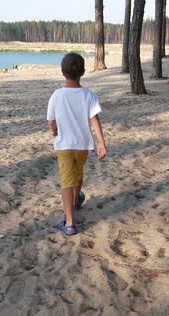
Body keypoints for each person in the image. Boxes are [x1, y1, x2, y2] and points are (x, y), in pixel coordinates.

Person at [46, 53, 107, 236]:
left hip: (64, 145)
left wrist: (55, 130)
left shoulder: (57, 95)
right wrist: (101, 143)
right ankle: (76, 199)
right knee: (78, 174)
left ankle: (70, 222)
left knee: (66, 180)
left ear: (63, 72)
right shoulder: (89, 94)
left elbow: (51, 120)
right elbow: (95, 120)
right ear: (82, 72)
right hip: (83, 145)